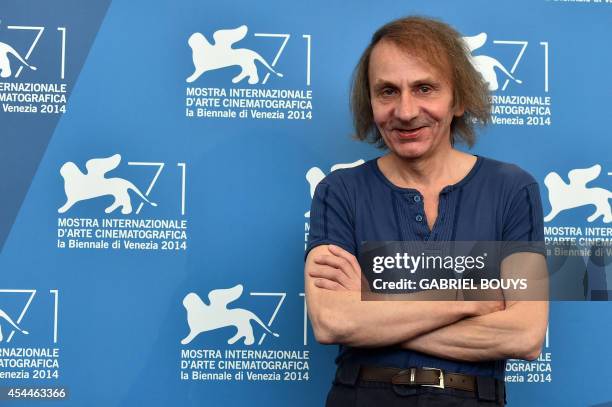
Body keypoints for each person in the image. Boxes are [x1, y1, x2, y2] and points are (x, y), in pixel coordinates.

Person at [304, 16, 548, 406]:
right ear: (370, 102)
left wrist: (372, 307)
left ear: (459, 98)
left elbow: (525, 335)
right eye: (387, 91)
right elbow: (332, 321)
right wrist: (470, 299)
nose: (405, 110)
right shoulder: (339, 191)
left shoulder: (513, 189)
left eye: (424, 88)